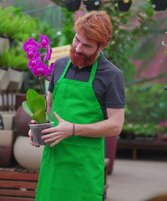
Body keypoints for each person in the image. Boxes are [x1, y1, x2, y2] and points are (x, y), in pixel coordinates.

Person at [29, 11, 125, 201]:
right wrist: (38, 126)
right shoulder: (59, 65)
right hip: (54, 162)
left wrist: (73, 129)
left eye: (87, 45)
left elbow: (116, 125)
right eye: (76, 40)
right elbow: (50, 104)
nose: (78, 48)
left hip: (84, 166)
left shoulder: (111, 75)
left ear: (102, 45)